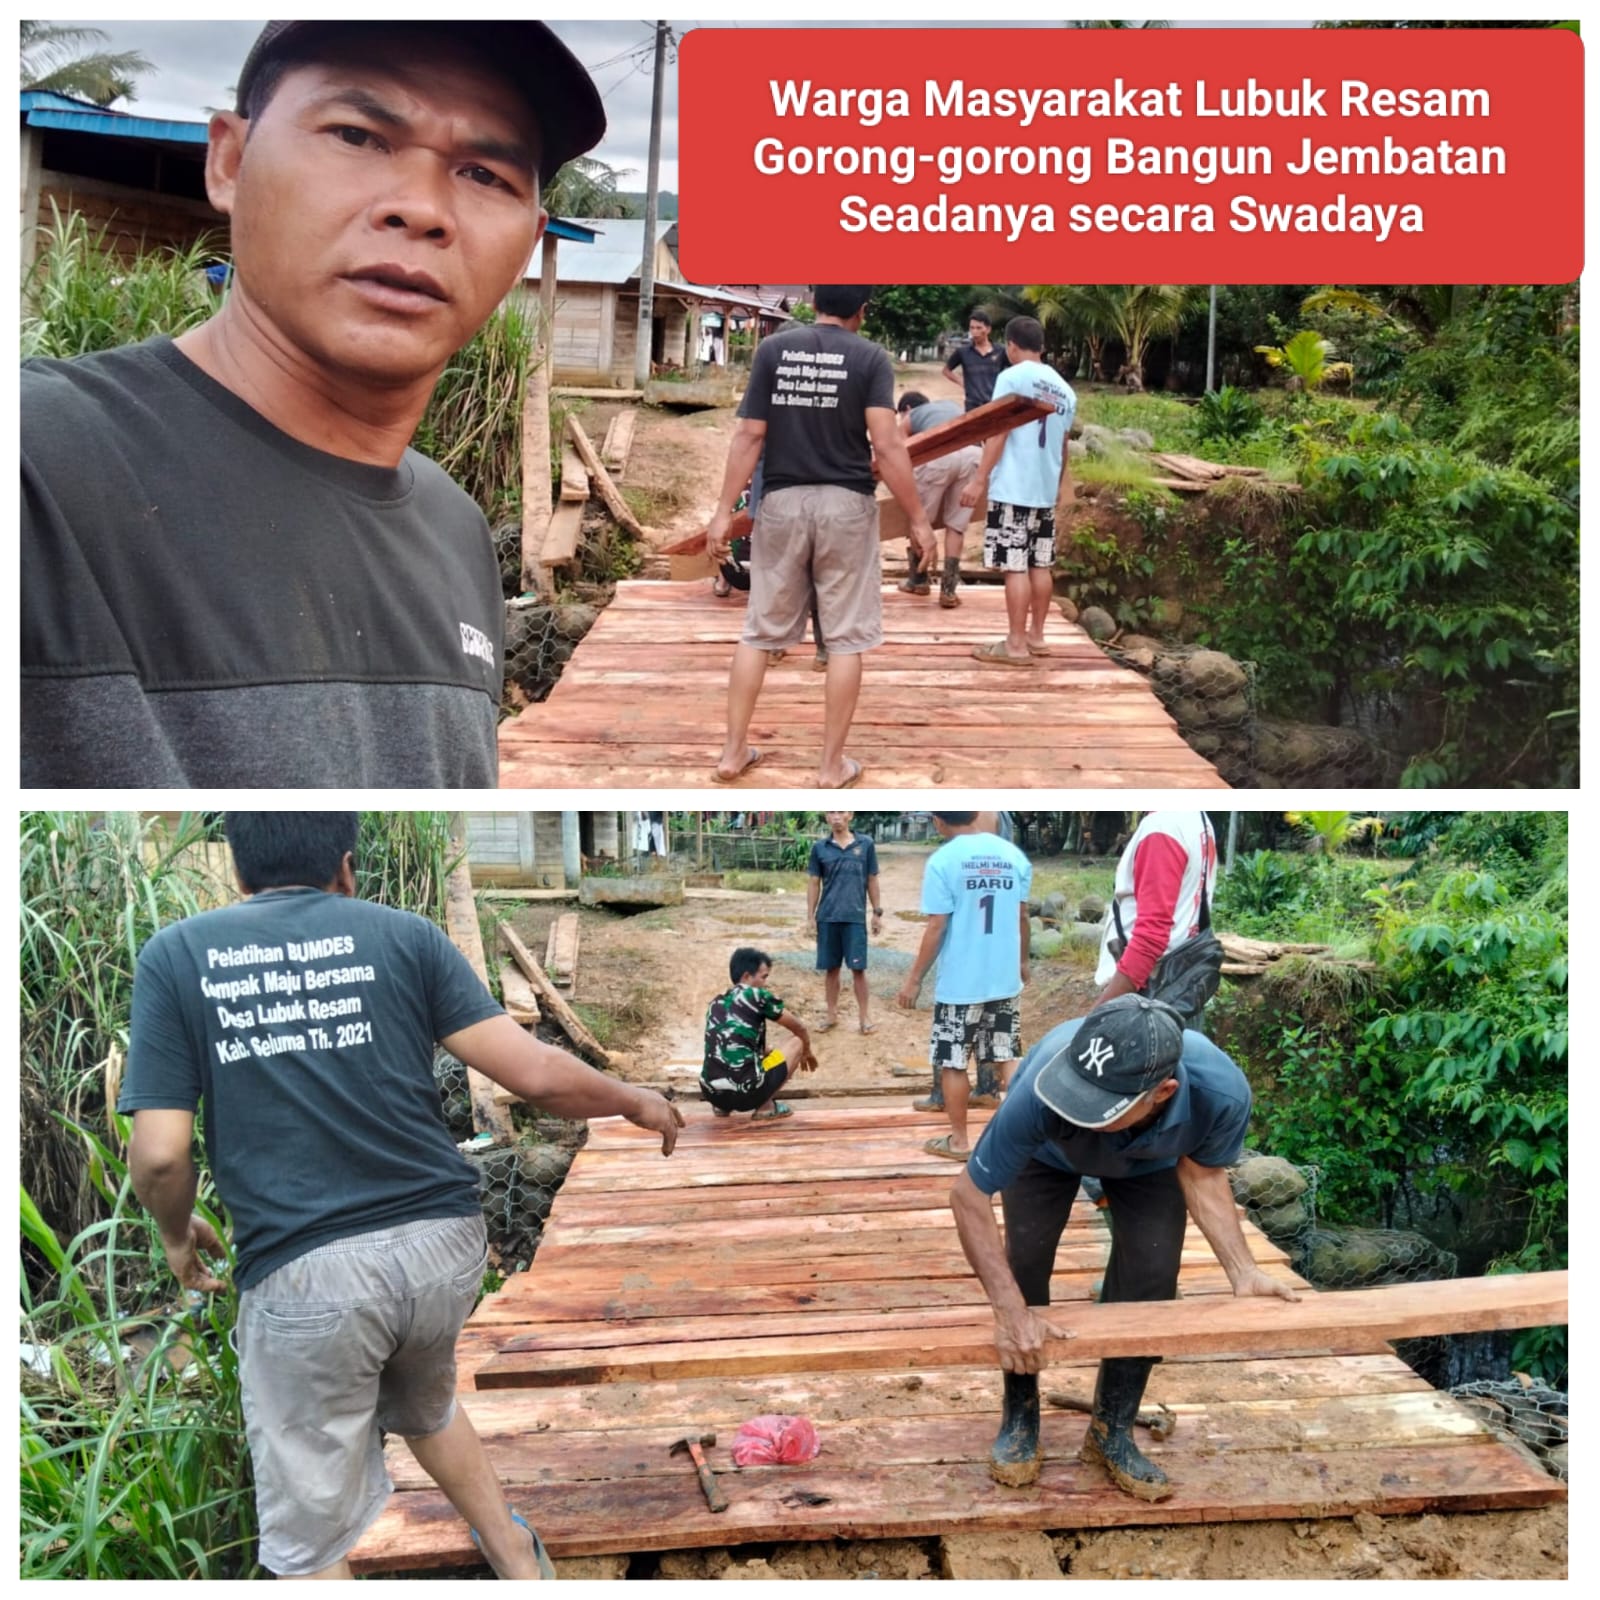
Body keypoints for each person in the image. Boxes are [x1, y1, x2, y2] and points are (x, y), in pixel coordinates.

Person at [22, 22, 604, 788]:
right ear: (229, 161)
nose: (422, 209)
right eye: (358, 135)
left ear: (528, 244)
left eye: (484, 174)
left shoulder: (456, 530)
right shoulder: (38, 469)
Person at [119, 812, 684, 1579]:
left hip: (309, 1276)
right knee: (426, 1402)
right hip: (443, 1251)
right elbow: (538, 1075)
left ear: (237, 873)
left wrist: (178, 1235)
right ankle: (519, 1558)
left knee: (310, 1539)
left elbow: (158, 1156)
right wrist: (632, 1098)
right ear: (346, 869)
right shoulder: (404, 935)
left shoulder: (177, 955)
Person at [947, 995, 1298, 1498]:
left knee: (1152, 1280)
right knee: (1022, 1268)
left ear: (1163, 1091)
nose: (1079, 1106)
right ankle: (1020, 1418)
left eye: (1098, 1102)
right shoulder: (1046, 1082)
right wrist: (1010, 1312)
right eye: (1077, 1092)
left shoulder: (1220, 1093)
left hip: (1150, 1164)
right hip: (1045, 1156)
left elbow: (1202, 1174)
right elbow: (968, 1196)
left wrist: (1242, 1270)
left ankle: (1111, 1430)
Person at [707, 285, 937, 788]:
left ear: (813, 302)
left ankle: (731, 752)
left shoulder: (773, 350)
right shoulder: (871, 358)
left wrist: (725, 511)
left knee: (758, 630)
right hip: (846, 507)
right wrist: (918, 518)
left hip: (782, 503)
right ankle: (831, 766)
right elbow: (888, 443)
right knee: (846, 637)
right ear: (863, 309)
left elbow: (749, 434)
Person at [896, 812, 1032, 1161]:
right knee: (1007, 1054)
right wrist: (1022, 962)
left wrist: (914, 979)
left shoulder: (943, 860)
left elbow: (937, 926)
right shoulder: (1013, 857)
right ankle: (1023, 1138)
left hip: (960, 983)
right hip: (1003, 980)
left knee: (953, 1061)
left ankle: (959, 1141)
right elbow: (1021, 916)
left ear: (939, 822)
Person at [961, 317, 1077, 669]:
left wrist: (979, 479)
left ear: (1011, 345)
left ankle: (1014, 644)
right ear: (1040, 345)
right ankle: (1037, 637)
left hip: (1013, 486)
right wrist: (1058, 487)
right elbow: (1063, 445)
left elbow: (1000, 432)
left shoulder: (1012, 378)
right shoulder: (1065, 390)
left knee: (1015, 567)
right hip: (1043, 489)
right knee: (1040, 563)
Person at [701, 947, 814, 1121]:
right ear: (747, 976)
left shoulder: (715, 1002)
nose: (765, 983)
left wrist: (767, 1051)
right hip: (748, 1091)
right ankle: (765, 1106)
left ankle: (722, 1107)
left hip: (711, 1093)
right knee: (796, 1041)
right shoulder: (755, 995)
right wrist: (806, 1051)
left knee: (726, 1057)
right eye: (764, 977)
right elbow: (799, 1028)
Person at [894, 390, 983, 608]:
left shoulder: (910, 417)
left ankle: (918, 581)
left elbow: (900, 452)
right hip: (973, 454)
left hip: (939, 455)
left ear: (906, 409)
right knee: (956, 526)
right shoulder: (950, 406)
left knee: (918, 519)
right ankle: (949, 591)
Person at [806, 811, 884, 1034]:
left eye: (841, 811)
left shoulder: (865, 844)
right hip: (828, 917)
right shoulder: (820, 848)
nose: (836, 816)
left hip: (854, 918)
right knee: (831, 970)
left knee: (858, 970)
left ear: (850, 814)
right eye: (831, 812)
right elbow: (814, 882)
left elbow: (872, 879)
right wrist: (810, 917)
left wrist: (876, 913)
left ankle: (864, 1017)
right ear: (826, 817)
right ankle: (831, 1015)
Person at [943, 309, 1009, 412]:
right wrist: (961, 382)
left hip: (995, 404)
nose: (975, 332)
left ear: (988, 329)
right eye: (972, 328)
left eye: (979, 328)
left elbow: (1014, 369)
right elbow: (946, 370)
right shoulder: (963, 352)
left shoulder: (1001, 351)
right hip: (972, 406)